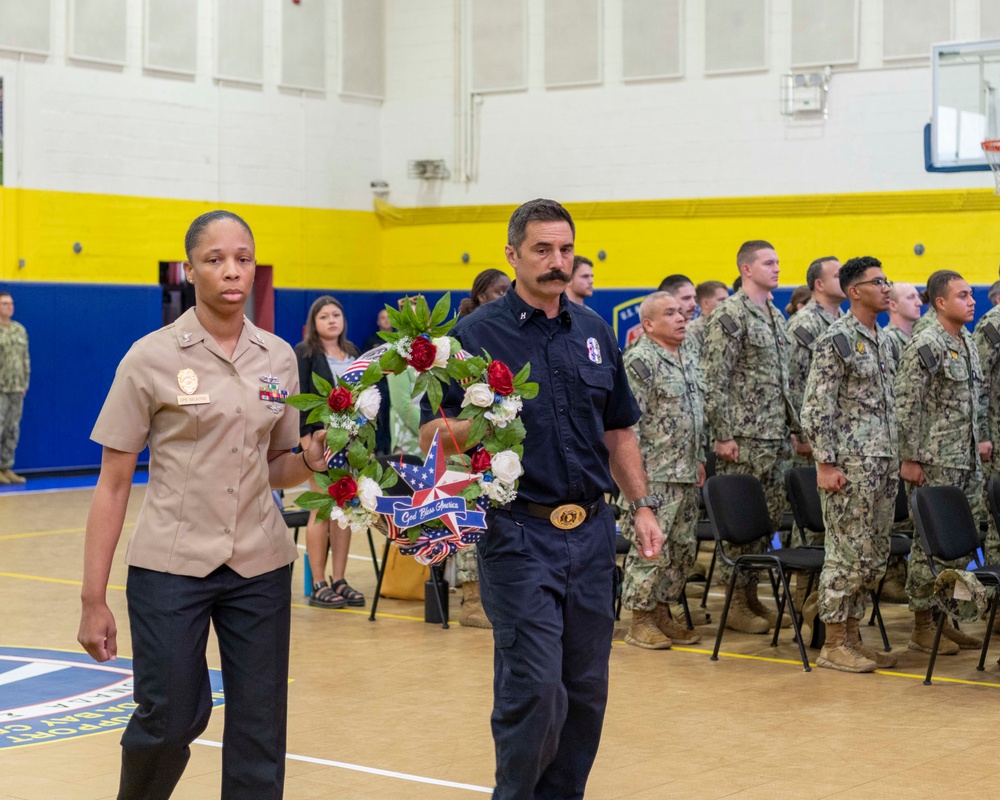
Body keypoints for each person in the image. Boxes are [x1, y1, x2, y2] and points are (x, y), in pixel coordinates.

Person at [77, 210, 328, 799]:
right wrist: (94, 599)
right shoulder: (150, 357)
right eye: (214, 260)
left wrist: (312, 460)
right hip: (172, 566)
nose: (231, 271)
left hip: (259, 565)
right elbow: (113, 482)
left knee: (260, 730)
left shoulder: (279, 358)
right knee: (169, 722)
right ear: (189, 270)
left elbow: (276, 464)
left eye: (243, 258)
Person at [418, 198, 663, 800]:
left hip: (592, 532)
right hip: (518, 535)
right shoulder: (472, 339)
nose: (557, 262)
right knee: (534, 690)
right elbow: (431, 437)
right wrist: (488, 417)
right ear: (512, 255)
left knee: (584, 693)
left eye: (565, 250)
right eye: (542, 250)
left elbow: (619, 432)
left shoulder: (594, 332)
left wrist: (642, 505)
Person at [801, 256, 900, 673]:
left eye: (887, 280)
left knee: (873, 555)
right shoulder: (836, 339)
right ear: (854, 291)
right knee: (846, 554)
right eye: (879, 282)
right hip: (850, 467)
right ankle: (834, 642)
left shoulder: (885, 340)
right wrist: (825, 463)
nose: (887, 287)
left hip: (883, 464)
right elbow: (815, 407)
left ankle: (853, 636)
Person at [702, 240, 798, 634]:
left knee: (767, 524)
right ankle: (736, 603)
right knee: (742, 524)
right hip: (743, 436)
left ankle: (753, 597)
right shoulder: (730, 314)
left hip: (774, 436)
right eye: (768, 262)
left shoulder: (773, 314)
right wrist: (722, 435)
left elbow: (783, 381)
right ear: (746, 268)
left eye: (778, 260)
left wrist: (794, 429)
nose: (776, 267)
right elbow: (714, 379)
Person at [896, 269, 991, 655]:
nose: (971, 301)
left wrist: (980, 440)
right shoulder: (926, 343)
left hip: (964, 459)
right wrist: (909, 457)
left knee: (960, 546)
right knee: (928, 545)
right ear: (940, 302)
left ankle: (944, 617)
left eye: (971, 294)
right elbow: (905, 405)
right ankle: (922, 623)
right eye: (963, 295)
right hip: (933, 461)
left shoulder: (965, 340)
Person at [620, 291, 705, 650]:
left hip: (685, 470)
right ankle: (640, 620)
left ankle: (662, 612)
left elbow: (696, 414)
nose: (681, 317)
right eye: (670, 313)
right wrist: (634, 480)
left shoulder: (687, 356)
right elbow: (628, 426)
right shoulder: (640, 360)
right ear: (648, 324)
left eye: (682, 312)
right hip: (653, 474)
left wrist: (699, 457)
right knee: (651, 550)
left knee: (682, 549)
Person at [294, 295, 365, 608]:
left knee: (344, 512)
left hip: (352, 445)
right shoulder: (306, 353)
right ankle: (319, 582)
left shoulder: (353, 353)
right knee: (321, 510)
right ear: (314, 323)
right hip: (320, 443)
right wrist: (308, 444)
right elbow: (300, 399)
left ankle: (339, 579)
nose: (332, 320)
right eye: (324, 316)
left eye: (336, 314)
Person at [454, 268, 511, 629]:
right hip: (466, 438)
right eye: (498, 291)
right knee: (469, 515)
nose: (505, 297)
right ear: (480, 296)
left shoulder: (509, 330)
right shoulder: (466, 336)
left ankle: (493, 594)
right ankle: (471, 598)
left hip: (499, 442)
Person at [786, 257, 845, 468]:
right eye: (838, 276)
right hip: (815, 439)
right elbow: (793, 383)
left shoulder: (845, 322)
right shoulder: (804, 323)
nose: (845, 279)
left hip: (842, 435)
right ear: (819, 284)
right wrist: (803, 435)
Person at [0, 291, 29, 484]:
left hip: (16, 388)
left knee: (12, 429)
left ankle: (5, 467)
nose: (9, 306)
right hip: (1, 388)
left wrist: (24, 382)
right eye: (4, 303)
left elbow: (25, 358)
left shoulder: (19, 330)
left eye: (11, 303)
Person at [683, 280, 728, 361]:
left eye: (728, 299)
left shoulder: (729, 323)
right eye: (721, 300)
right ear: (706, 303)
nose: (728, 303)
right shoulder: (693, 330)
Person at [884, 281, 922, 352]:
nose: (919, 303)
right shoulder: (886, 340)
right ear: (893, 305)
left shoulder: (919, 336)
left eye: (918, 296)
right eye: (911, 297)